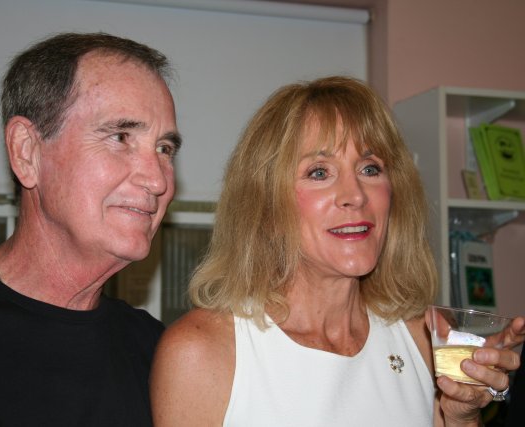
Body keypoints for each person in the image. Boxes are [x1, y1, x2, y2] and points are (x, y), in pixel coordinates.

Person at [150, 76, 525, 426]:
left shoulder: (422, 340)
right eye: (319, 172)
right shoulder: (202, 352)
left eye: (370, 169)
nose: (355, 195)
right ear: (266, 204)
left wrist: (461, 416)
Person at [0, 32, 181, 426]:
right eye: (120, 137)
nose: (157, 180)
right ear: (27, 151)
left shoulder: (156, 350)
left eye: (164, 149)